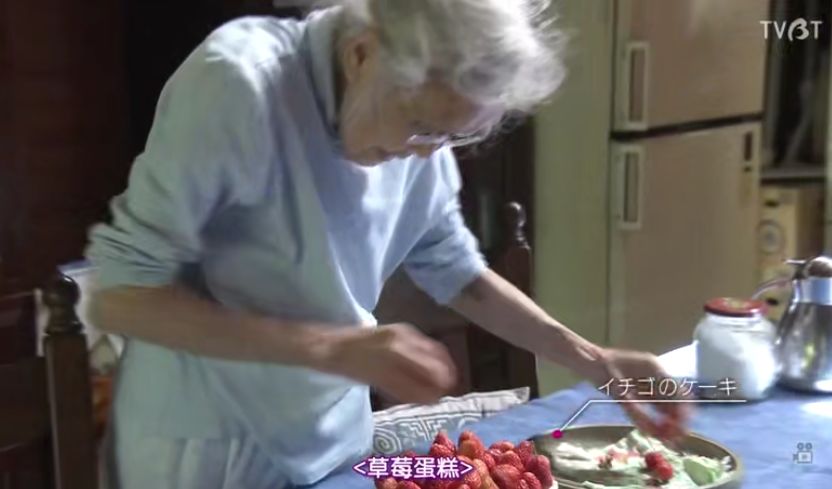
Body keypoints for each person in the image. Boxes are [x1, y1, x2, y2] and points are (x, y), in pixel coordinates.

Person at [86, 1, 688, 488]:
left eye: (451, 138)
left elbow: (456, 270)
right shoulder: (237, 87)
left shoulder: (419, 120)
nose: (426, 154)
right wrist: (335, 347)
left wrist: (593, 360)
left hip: (337, 444)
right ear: (361, 53)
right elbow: (120, 296)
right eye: (423, 127)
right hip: (210, 451)